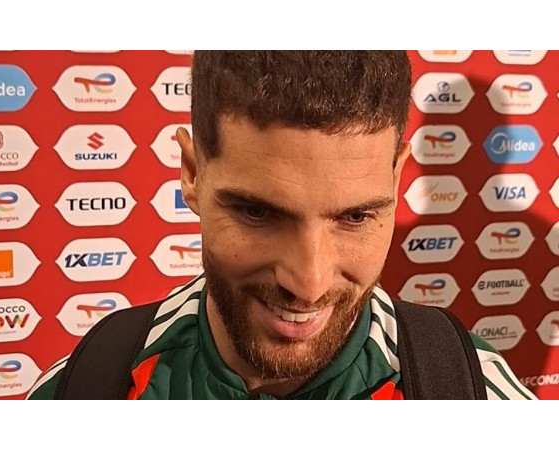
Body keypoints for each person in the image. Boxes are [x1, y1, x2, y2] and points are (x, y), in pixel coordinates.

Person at [28, 51, 535, 400]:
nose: (309, 283)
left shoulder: (474, 394)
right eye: (258, 213)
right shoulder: (88, 387)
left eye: (356, 216)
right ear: (193, 174)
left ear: (396, 178)